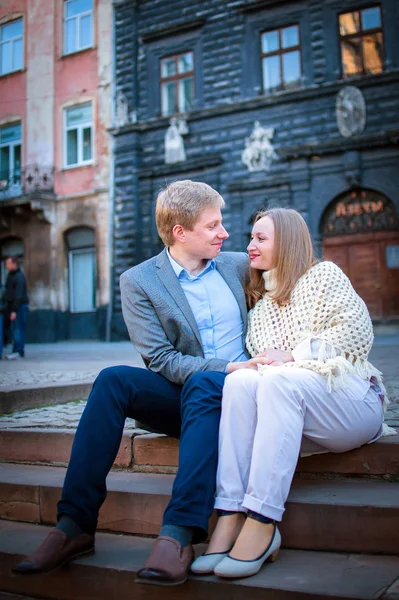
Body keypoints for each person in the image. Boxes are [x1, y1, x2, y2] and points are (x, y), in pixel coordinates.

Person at [13, 180, 268, 584]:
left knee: (205, 384)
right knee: (113, 380)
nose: (224, 232)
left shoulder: (237, 264)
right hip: (190, 394)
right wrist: (224, 368)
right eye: (213, 226)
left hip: (242, 395)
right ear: (180, 232)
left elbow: (298, 270)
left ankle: (179, 534)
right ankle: (74, 526)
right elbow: (162, 359)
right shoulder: (139, 281)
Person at [191, 207, 394, 580]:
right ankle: (230, 511)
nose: (250, 245)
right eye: (251, 237)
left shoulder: (324, 276)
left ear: (286, 242)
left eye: (260, 238)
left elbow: (357, 333)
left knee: (278, 379)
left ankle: (263, 521)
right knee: (239, 381)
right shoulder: (262, 304)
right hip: (295, 408)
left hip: (351, 401)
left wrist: (295, 355)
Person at [4, 255, 29, 360]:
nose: (6, 266)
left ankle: (18, 352)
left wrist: (14, 310)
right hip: (13, 307)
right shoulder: (11, 276)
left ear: (14, 264)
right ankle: (16, 351)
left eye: (8, 263)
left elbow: (19, 295)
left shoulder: (18, 276)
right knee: (15, 329)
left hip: (19, 307)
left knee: (18, 329)